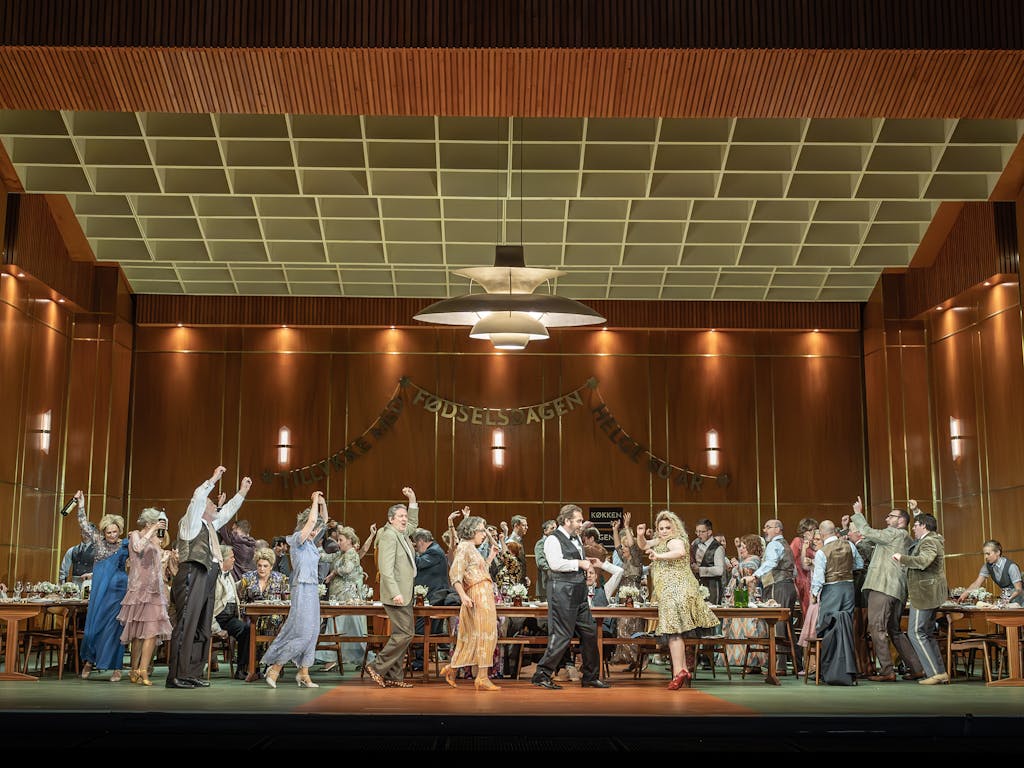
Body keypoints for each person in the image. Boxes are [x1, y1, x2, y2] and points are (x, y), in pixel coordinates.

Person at [166, 466, 250, 689]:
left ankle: (191, 672)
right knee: (186, 624)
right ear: (203, 508)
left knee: (201, 626)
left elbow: (228, 511)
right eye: (212, 504)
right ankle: (176, 675)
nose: (216, 506)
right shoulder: (191, 523)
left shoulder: (211, 525)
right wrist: (213, 479)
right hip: (192, 574)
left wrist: (241, 492)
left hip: (209, 575)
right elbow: (197, 498)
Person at [530, 504, 610, 690]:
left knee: (590, 632)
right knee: (562, 635)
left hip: (578, 591)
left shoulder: (576, 539)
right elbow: (555, 564)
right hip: (562, 592)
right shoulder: (553, 540)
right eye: (578, 520)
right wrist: (580, 563)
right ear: (567, 521)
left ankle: (590, 676)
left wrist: (587, 572)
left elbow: (577, 563)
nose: (581, 523)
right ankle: (541, 674)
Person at [639, 510, 720, 689]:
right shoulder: (661, 540)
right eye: (661, 528)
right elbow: (644, 545)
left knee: (673, 631)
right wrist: (639, 535)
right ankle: (682, 669)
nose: (664, 530)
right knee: (676, 632)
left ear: (675, 527)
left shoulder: (676, 541)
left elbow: (680, 552)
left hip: (675, 590)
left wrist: (658, 556)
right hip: (670, 590)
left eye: (668, 527)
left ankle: (678, 672)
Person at [849, 496, 925, 682]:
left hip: (883, 586)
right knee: (893, 630)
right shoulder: (902, 538)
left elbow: (867, 531)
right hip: (896, 589)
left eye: (890, 516)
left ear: (900, 521)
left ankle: (886, 671)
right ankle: (917, 668)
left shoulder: (896, 533)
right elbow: (871, 546)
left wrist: (858, 514)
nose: (886, 519)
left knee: (876, 627)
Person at [263, 491, 328, 689]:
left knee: (314, 631)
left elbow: (322, 522)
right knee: (302, 632)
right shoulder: (297, 539)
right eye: (312, 528)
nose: (315, 531)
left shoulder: (311, 543)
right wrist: (315, 500)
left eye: (316, 530)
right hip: (300, 588)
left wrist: (323, 503)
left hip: (312, 589)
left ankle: (304, 673)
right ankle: (275, 667)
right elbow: (313, 522)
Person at [365, 486, 419, 689]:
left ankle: (394, 676)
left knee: (403, 634)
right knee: (405, 633)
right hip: (396, 594)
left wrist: (412, 499)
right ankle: (377, 667)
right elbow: (385, 569)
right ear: (390, 519)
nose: (405, 519)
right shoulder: (388, 535)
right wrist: (396, 592)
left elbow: (413, 523)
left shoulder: (401, 533)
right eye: (400, 516)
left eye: (405, 515)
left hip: (405, 593)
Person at [442, 515, 501, 691]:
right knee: (484, 633)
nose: (484, 534)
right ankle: (481, 677)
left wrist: (490, 557)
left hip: (484, 593)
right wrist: (463, 596)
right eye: (482, 530)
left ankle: (452, 669)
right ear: (472, 531)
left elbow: (479, 572)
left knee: (485, 633)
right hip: (477, 595)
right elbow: (455, 574)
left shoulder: (472, 549)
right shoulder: (464, 548)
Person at [76, 490, 130, 681]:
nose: (112, 535)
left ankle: (117, 668)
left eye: (115, 531)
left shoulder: (125, 545)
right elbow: (84, 524)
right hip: (100, 592)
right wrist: (81, 505)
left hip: (118, 592)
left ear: (119, 531)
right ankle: (89, 661)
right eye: (109, 532)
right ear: (104, 532)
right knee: (92, 629)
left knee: (116, 630)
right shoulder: (98, 541)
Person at [117, 507, 174, 686]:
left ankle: (144, 669)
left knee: (151, 632)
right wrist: (151, 531)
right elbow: (138, 548)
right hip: (138, 590)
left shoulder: (156, 539)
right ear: (149, 523)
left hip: (154, 591)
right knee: (137, 634)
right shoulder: (135, 535)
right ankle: (134, 669)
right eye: (156, 521)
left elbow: (158, 564)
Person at [893, 512, 949, 685]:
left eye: (916, 525)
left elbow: (924, 561)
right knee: (926, 634)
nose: (913, 529)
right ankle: (940, 672)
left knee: (915, 632)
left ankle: (933, 673)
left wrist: (902, 558)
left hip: (924, 594)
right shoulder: (931, 540)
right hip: (928, 593)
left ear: (923, 525)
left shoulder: (930, 541)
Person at [810, 520, 862, 685]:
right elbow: (859, 564)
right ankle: (847, 671)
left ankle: (828, 671)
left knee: (827, 628)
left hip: (831, 591)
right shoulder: (850, 546)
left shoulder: (822, 552)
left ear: (822, 533)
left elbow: (818, 577)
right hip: (848, 589)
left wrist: (813, 594)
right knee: (845, 628)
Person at [745, 519, 800, 674]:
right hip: (787, 585)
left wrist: (754, 576)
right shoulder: (786, 545)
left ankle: (779, 666)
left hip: (778, 585)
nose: (765, 530)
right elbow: (793, 570)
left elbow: (771, 563)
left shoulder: (774, 545)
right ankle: (797, 664)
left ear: (778, 529)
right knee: (786, 624)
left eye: (768, 527)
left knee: (777, 625)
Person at [317, 525, 371, 671]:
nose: (338, 542)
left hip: (347, 596)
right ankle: (334, 658)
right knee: (340, 626)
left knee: (343, 626)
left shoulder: (351, 553)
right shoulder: (341, 553)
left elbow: (347, 569)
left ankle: (344, 657)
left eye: (341, 540)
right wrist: (316, 548)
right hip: (339, 595)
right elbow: (326, 557)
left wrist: (334, 572)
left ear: (349, 540)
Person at [722, 534, 768, 673]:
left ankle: (752, 661)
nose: (741, 549)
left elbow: (749, 577)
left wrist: (738, 567)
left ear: (751, 546)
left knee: (749, 628)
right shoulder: (746, 559)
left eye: (744, 546)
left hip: (747, 598)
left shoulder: (753, 560)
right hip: (739, 597)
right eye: (740, 546)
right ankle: (744, 660)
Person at [609, 513, 645, 668]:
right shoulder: (624, 558)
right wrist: (615, 530)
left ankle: (635, 658)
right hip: (623, 593)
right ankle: (627, 657)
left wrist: (627, 526)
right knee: (621, 626)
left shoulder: (636, 558)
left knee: (633, 627)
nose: (622, 549)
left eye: (625, 547)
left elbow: (631, 544)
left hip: (635, 594)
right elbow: (617, 545)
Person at [210, 545, 249, 679]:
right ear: (222, 560)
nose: (234, 560)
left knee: (246, 629)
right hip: (216, 618)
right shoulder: (212, 576)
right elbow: (208, 608)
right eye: (231, 557)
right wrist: (216, 629)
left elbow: (230, 592)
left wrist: (245, 582)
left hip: (230, 617)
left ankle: (242, 669)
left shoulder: (229, 574)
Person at [238, 547, 289, 642]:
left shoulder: (280, 579)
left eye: (265, 566)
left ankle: (270, 655)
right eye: (259, 565)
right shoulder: (247, 578)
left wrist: (286, 622)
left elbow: (285, 602)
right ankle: (251, 655)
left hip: (274, 617)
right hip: (252, 617)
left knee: (273, 621)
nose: (262, 569)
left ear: (271, 566)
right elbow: (242, 600)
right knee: (248, 626)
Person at [958, 540, 1023, 606]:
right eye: (984, 554)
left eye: (988, 554)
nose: (985, 557)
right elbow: (977, 583)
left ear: (997, 552)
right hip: (1006, 600)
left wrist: (1007, 600)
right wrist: (966, 593)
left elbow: (1019, 589)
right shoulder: (987, 566)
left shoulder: (1011, 566)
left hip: (1020, 600)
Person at [790, 517, 818, 633]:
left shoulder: (814, 544)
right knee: (807, 611)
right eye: (812, 530)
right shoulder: (798, 541)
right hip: (802, 580)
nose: (814, 532)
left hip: (811, 580)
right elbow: (791, 560)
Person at [691, 518, 727, 605]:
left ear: (709, 532)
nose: (698, 534)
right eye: (697, 532)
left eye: (701, 532)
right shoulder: (695, 544)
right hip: (696, 587)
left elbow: (719, 570)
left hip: (712, 588)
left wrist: (700, 570)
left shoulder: (718, 548)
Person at [534, 519, 556, 600]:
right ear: (545, 531)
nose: (555, 530)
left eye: (556, 528)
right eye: (552, 528)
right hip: (545, 584)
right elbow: (540, 562)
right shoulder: (541, 543)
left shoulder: (555, 543)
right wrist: (553, 570)